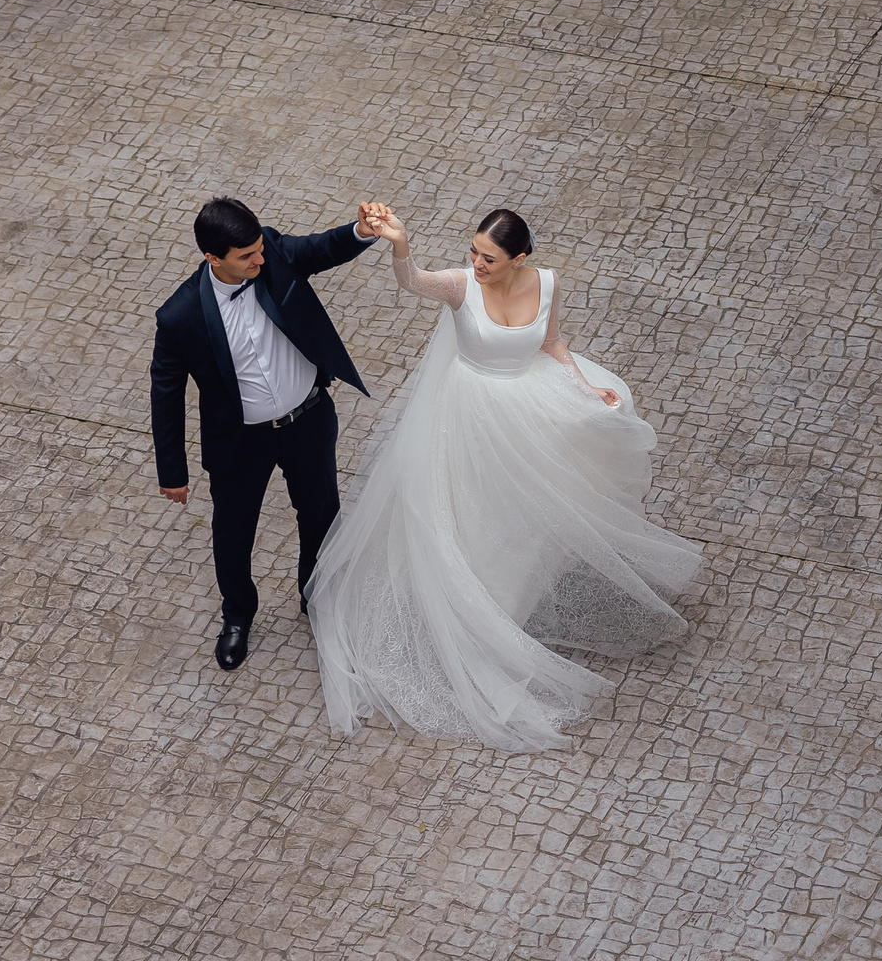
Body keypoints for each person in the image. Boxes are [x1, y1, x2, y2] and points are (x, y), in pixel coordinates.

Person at [304, 205, 701, 752]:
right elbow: (412, 281)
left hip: (527, 412)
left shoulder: (547, 283)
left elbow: (552, 342)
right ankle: (476, 625)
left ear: (520, 258)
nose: (477, 263)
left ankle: (505, 613)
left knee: (525, 522)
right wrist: (399, 242)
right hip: (469, 416)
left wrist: (585, 388)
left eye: (488, 257)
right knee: (474, 518)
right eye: (473, 252)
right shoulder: (461, 286)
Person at [149, 197, 385, 670]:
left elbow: (321, 249)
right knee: (234, 531)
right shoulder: (179, 318)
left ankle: (315, 597)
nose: (259, 260)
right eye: (247, 256)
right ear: (213, 258)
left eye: (260, 249)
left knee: (320, 513)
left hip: (309, 419)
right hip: (240, 442)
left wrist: (361, 232)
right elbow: (166, 395)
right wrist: (171, 470)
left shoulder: (272, 252)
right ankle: (238, 614)